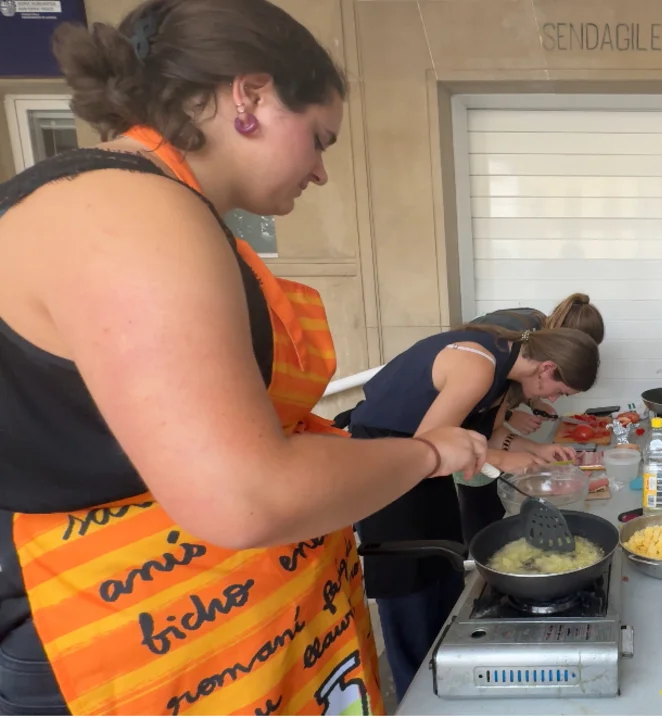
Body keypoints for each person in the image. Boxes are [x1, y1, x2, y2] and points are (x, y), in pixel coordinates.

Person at [0, 1, 489, 714]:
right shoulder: (122, 210)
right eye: (318, 139)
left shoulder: (167, 208)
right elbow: (245, 496)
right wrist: (428, 453)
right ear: (250, 96)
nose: (320, 172)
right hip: (128, 641)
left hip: (235, 631)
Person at [345, 324, 598, 700]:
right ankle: (417, 699)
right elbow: (426, 449)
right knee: (409, 591)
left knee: (446, 566)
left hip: (426, 475)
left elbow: (481, 434)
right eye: (559, 390)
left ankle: (447, 677)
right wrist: (502, 460)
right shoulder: (479, 365)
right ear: (546, 368)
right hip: (387, 470)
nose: (555, 399)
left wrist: (532, 452)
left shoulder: (505, 372)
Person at [469, 293, 605, 435]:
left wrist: (534, 402)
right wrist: (510, 416)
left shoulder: (539, 326)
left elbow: (523, 379)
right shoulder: (520, 341)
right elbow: (482, 396)